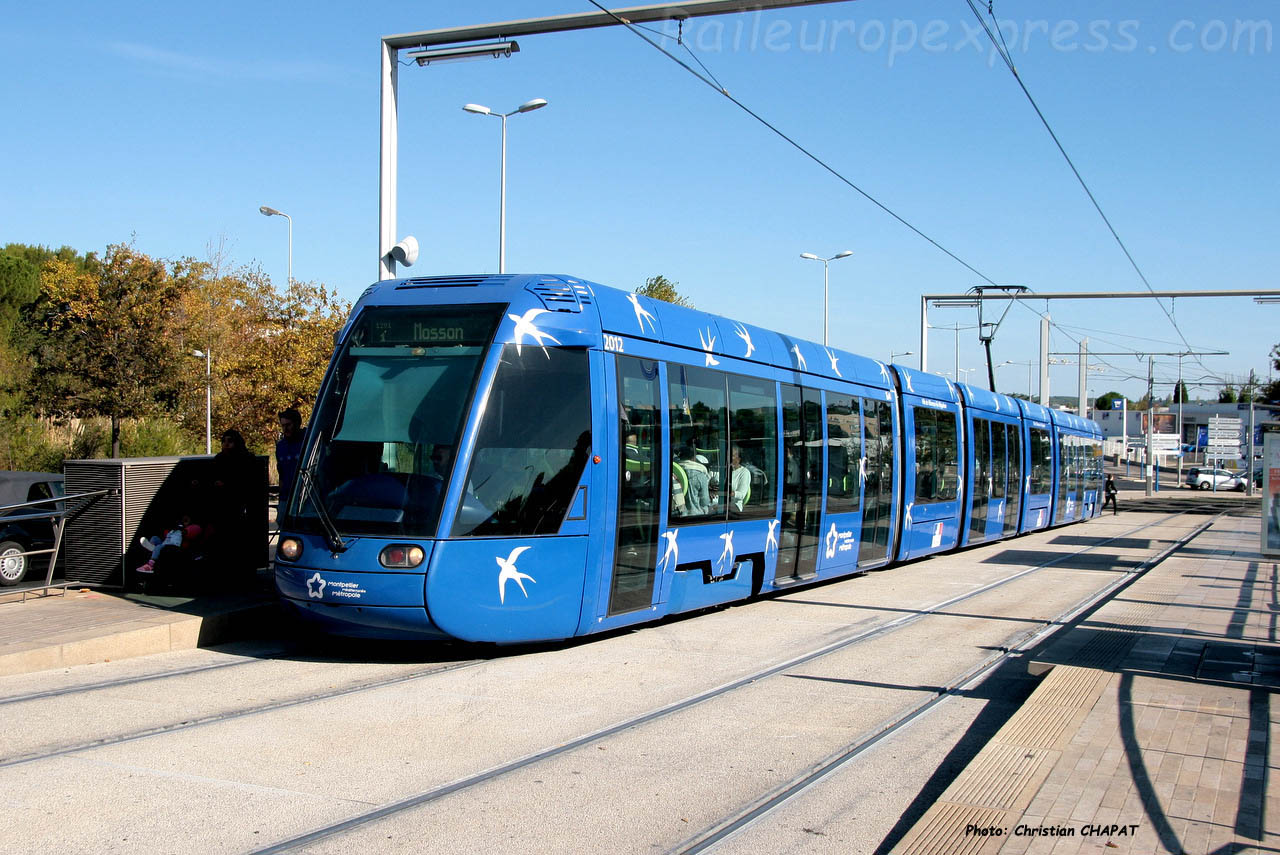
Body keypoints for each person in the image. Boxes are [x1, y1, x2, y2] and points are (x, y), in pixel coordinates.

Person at [275, 408, 306, 499]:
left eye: (288, 425)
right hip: (286, 496)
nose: (285, 429)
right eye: (283, 425)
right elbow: (281, 474)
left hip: (305, 495)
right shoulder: (281, 446)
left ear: (297, 423)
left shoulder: (308, 442)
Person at [679, 442, 711, 516]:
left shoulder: (674, 470)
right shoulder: (700, 475)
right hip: (695, 516)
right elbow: (705, 501)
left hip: (676, 514)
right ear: (693, 458)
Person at [730, 446, 751, 513]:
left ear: (738, 459)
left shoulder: (744, 472)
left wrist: (725, 493)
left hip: (733, 506)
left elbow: (741, 495)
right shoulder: (718, 469)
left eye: (732, 455)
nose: (729, 458)